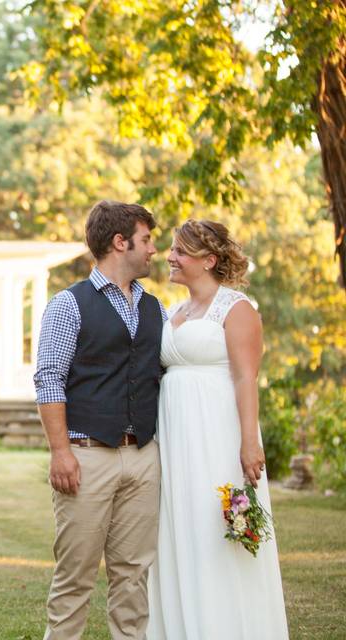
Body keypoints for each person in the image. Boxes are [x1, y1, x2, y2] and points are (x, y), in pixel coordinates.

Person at [146, 219, 288, 638]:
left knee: (216, 530)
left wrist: (248, 444)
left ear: (208, 260)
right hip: (175, 441)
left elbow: (246, 378)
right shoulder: (173, 311)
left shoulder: (237, 308)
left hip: (218, 438)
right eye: (171, 249)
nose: (170, 257)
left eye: (180, 251)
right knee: (179, 532)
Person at [34, 200, 167, 640]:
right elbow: (49, 378)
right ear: (119, 241)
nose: (153, 249)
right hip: (87, 458)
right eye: (146, 239)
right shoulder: (68, 305)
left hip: (142, 458)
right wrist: (60, 452)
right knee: (76, 577)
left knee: (133, 578)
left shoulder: (156, 309)